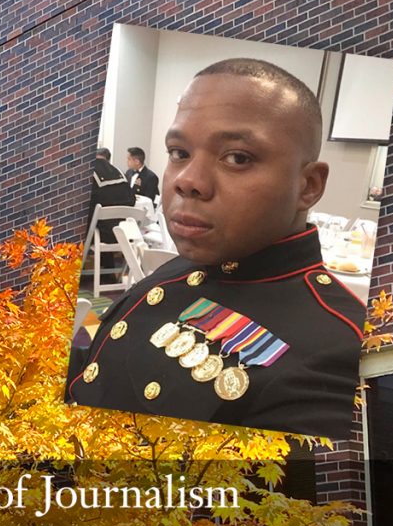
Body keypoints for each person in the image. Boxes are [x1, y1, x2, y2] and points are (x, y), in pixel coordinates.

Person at [66, 58, 366, 438]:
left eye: (238, 158)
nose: (188, 181)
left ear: (308, 186)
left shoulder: (332, 357)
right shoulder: (186, 265)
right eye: (179, 152)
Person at [87, 148, 136, 280]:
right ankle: (108, 272)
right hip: (122, 233)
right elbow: (132, 200)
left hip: (98, 234)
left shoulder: (89, 173)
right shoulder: (120, 173)